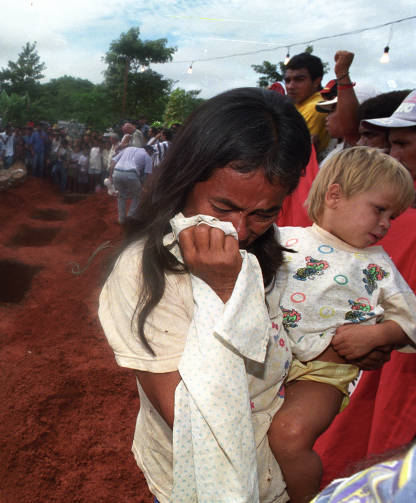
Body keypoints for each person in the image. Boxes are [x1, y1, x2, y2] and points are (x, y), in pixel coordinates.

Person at [99, 87, 312, 503]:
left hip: (274, 473)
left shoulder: (273, 250)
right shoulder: (144, 274)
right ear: (186, 177)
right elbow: (193, 423)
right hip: (199, 482)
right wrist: (223, 291)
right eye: (223, 207)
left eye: (264, 214)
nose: (240, 230)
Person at [269, 147, 416, 503]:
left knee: (289, 435)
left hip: (321, 373)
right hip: (269, 362)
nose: (385, 224)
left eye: (392, 217)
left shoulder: (377, 264)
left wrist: (379, 334)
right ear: (335, 195)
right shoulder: (282, 239)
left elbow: (411, 319)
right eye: (379, 210)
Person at [285, 53, 331, 157]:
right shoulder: (299, 104)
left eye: (299, 80)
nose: (290, 86)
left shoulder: (315, 107)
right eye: (287, 80)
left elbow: (286, 150)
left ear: (316, 81)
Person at [107, 145, 152, 224]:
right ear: (149, 151)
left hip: (117, 172)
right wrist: (145, 187)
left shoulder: (128, 149)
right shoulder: (147, 155)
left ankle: (121, 219)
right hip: (131, 174)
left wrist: (110, 177)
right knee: (138, 195)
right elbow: (148, 174)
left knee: (121, 196)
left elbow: (113, 162)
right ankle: (131, 216)